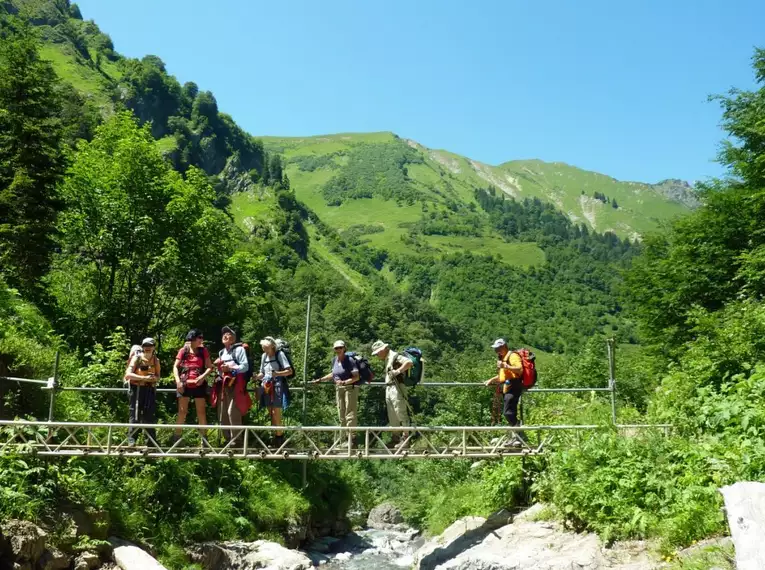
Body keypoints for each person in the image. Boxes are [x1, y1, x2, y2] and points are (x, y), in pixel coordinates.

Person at [312, 340, 360, 447]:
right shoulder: (334, 360)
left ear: (344, 348)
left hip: (350, 388)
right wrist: (320, 380)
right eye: (336, 348)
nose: (338, 350)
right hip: (339, 389)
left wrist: (344, 382)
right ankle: (344, 440)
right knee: (341, 414)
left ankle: (352, 439)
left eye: (340, 348)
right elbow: (333, 374)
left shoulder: (350, 360)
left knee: (350, 414)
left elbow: (356, 377)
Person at [172, 329, 213, 446]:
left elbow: (210, 367)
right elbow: (175, 367)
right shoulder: (183, 351)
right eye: (200, 337)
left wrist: (202, 377)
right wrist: (178, 381)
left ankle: (204, 440)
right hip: (184, 383)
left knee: (201, 412)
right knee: (182, 412)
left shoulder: (203, 351)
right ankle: (177, 438)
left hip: (198, 383)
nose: (202, 340)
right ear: (193, 338)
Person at [213, 326, 252, 446]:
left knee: (232, 411)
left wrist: (230, 368)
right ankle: (227, 439)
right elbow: (220, 370)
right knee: (223, 411)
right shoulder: (221, 352)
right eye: (223, 334)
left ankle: (237, 440)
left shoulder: (239, 350)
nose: (225, 335)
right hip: (224, 384)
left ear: (233, 338)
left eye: (228, 334)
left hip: (236, 384)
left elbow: (245, 366)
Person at [371, 340, 412, 449]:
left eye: (378, 352)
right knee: (392, 414)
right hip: (390, 387)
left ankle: (405, 439)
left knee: (400, 412)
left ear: (384, 349)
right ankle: (396, 439)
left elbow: (409, 362)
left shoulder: (394, 356)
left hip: (397, 387)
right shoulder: (387, 358)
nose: (377, 355)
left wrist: (397, 371)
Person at [484, 338, 524, 447]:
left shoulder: (512, 356)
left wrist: (505, 366)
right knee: (509, 412)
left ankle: (519, 435)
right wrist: (492, 380)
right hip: (507, 387)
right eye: (495, 349)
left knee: (508, 413)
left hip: (513, 386)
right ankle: (516, 437)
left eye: (498, 348)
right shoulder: (503, 358)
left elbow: (519, 369)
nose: (497, 351)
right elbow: (503, 375)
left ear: (504, 346)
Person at [123, 337, 160, 446]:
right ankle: (131, 441)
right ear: (142, 347)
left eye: (150, 346)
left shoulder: (156, 360)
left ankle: (151, 442)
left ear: (154, 347)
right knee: (135, 414)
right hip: (137, 390)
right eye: (145, 346)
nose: (147, 348)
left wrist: (153, 379)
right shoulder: (137, 358)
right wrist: (144, 378)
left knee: (149, 416)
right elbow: (128, 374)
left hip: (149, 390)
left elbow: (158, 376)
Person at [256, 336, 292, 446]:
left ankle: (279, 438)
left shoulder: (279, 355)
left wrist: (277, 374)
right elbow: (262, 372)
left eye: (266, 347)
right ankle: (275, 435)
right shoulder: (263, 356)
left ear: (272, 347)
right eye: (263, 347)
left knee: (276, 412)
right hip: (266, 385)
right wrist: (257, 377)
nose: (264, 349)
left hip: (277, 385)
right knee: (270, 412)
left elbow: (289, 371)